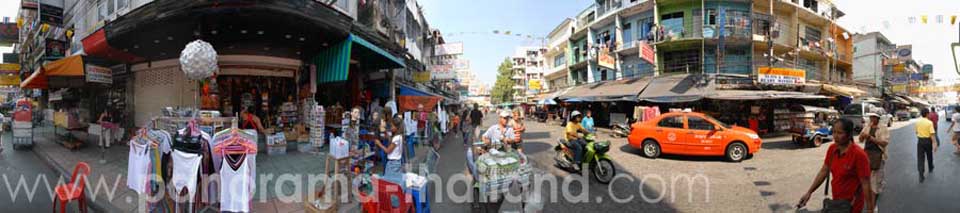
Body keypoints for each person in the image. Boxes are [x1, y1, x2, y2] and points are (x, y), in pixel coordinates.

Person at [797, 118, 874, 213]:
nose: (835, 136)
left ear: (849, 134)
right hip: (837, 202)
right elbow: (824, 171)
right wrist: (809, 192)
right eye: (834, 132)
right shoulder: (832, 149)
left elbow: (866, 184)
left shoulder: (859, 155)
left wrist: (870, 209)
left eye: (840, 133)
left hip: (852, 205)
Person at [859, 113, 889, 207]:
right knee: (866, 180)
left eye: (873, 117)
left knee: (875, 182)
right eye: (870, 117)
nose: (871, 119)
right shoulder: (867, 127)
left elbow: (884, 143)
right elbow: (860, 140)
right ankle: (870, 204)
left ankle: (873, 205)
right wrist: (862, 136)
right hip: (867, 155)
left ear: (877, 118)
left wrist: (870, 137)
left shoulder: (883, 128)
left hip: (878, 156)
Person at [916, 108, 938, 183]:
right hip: (928, 141)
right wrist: (935, 144)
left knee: (920, 158)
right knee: (929, 155)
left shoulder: (917, 122)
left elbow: (916, 132)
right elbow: (932, 135)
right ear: (927, 114)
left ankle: (921, 174)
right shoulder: (929, 123)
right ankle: (930, 167)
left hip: (920, 141)